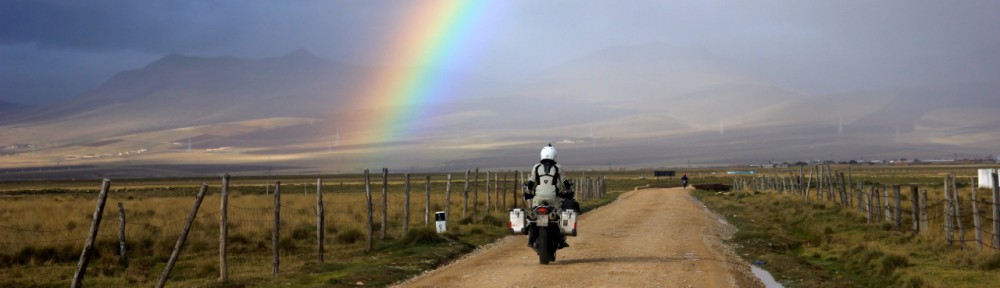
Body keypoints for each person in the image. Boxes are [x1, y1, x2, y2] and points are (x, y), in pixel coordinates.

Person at [523, 143, 573, 249]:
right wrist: (569, 191)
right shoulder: (558, 168)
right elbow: (565, 182)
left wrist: (528, 192)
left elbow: (531, 182)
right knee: (558, 216)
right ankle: (560, 239)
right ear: (554, 155)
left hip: (538, 198)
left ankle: (531, 238)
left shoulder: (536, 167)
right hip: (553, 198)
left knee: (533, 215)